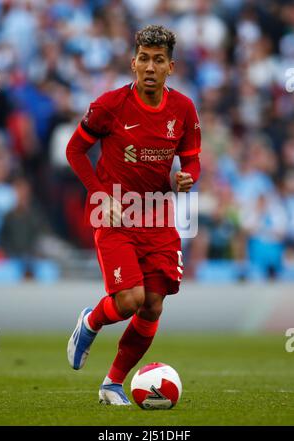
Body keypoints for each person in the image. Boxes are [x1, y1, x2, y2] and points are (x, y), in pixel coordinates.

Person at [66, 25, 201, 405]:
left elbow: (191, 159)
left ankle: (112, 384)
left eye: (159, 60)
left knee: (154, 303)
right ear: (133, 62)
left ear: (170, 67)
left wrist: (189, 177)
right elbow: (75, 151)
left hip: (158, 217)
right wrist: (99, 194)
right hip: (116, 215)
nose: (150, 67)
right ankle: (91, 322)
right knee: (129, 300)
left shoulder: (184, 109)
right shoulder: (110, 105)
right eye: (144, 58)